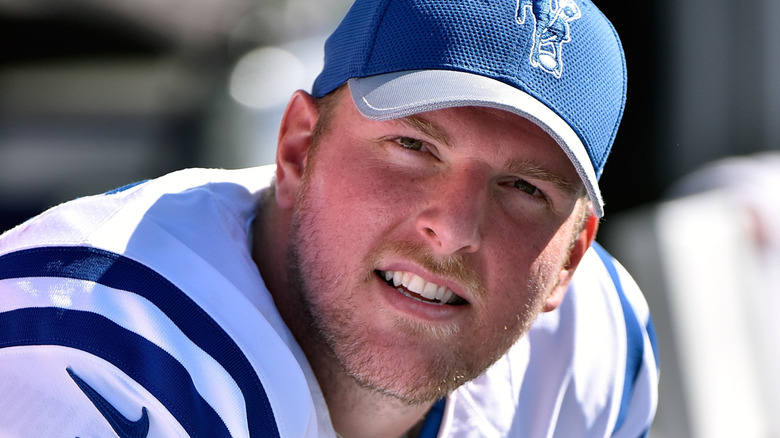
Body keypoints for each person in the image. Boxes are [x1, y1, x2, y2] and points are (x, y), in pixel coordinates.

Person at [0, 0, 658, 436]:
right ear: (295, 151)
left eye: (522, 187)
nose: (454, 228)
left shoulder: (591, 346)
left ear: (569, 258)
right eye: (413, 147)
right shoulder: (81, 349)